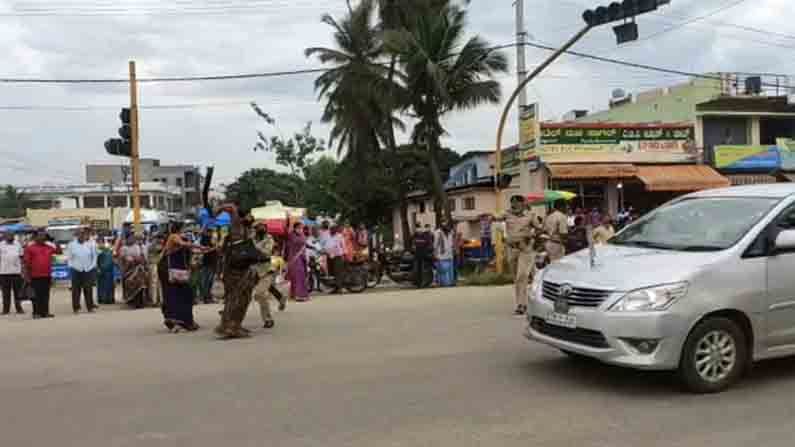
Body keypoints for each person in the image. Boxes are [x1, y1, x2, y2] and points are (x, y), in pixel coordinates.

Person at [216, 204, 258, 339]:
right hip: (235, 269)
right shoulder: (236, 225)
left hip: (240, 268)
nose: (251, 218)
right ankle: (231, 326)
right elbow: (231, 207)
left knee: (238, 297)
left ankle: (233, 325)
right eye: (249, 215)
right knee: (236, 298)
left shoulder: (245, 229)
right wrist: (218, 209)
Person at [504, 195, 542, 316]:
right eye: (512, 203)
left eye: (516, 203)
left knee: (522, 276)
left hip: (525, 249)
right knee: (516, 279)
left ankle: (522, 305)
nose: (514, 205)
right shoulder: (507, 214)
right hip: (511, 249)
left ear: (523, 204)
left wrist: (531, 236)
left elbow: (539, 229)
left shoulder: (530, 216)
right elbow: (494, 217)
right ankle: (520, 303)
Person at [161, 221, 202, 332]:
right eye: (184, 228)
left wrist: (202, 249)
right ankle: (177, 321)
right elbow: (183, 245)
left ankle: (186, 321)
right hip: (171, 271)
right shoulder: (174, 237)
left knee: (186, 295)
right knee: (176, 295)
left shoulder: (182, 238)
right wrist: (195, 245)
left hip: (180, 271)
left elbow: (189, 250)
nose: (186, 230)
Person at [252, 223, 286, 329]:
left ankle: (268, 319)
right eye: (258, 227)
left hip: (266, 270)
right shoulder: (251, 238)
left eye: (263, 228)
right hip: (252, 270)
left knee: (261, 293)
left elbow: (266, 252)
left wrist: (251, 251)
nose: (261, 229)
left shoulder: (269, 239)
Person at [23, 230, 61, 319]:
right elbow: (26, 263)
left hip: (47, 275)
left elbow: (59, 252)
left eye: (44, 236)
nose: (42, 238)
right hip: (34, 275)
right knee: (35, 295)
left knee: (45, 295)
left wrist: (55, 242)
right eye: (40, 236)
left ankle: (45, 312)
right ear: (35, 237)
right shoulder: (30, 248)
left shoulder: (48, 247)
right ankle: (36, 313)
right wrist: (26, 276)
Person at [67, 228, 99, 314]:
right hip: (76, 270)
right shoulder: (71, 245)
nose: (82, 236)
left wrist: (91, 267)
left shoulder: (90, 245)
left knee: (88, 289)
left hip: (88, 270)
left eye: (83, 235)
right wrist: (73, 267)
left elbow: (94, 257)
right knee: (76, 290)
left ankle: (90, 307)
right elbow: (69, 258)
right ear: (77, 235)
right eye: (80, 234)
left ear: (85, 236)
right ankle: (76, 308)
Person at [119, 234, 149, 309]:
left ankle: (140, 302)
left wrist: (139, 259)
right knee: (130, 285)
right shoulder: (124, 248)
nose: (132, 240)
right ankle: (130, 301)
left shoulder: (137, 247)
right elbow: (122, 258)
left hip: (138, 269)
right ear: (126, 239)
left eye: (133, 238)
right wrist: (129, 260)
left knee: (140, 285)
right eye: (130, 238)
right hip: (128, 269)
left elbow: (142, 257)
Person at [0, 231, 25, 315]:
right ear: (4, 236)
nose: (10, 236)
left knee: (18, 292)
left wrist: (23, 270)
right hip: (3, 272)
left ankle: (19, 308)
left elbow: (22, 257)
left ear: (14, 236)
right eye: (8, 235)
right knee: (5, 293)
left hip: (16, 272)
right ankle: (5, 309)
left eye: (12, 235)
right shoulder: (1, 245)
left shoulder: (18, 244)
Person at [285, 222, 309, 302]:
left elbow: (305, 244)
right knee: (296, 276)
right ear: (295, 228)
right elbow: (295, 241)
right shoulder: (291, 235)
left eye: (301, 228)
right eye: (299, 228)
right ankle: (297, 295)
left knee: (302, 276)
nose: (300, 229)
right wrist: (288, 220)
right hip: (294, 258)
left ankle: (301, 294)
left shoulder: (302, 235)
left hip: (302, 258)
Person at [198, 227, 219, 304]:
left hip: (210, 262)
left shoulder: (209, 239)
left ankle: (207, 297)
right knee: (207, 281)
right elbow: (205, 250)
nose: (211, 234)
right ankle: (205, 297)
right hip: (207, 262)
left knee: (209, 281)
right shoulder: (204, 239)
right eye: (210, 232)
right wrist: (214, 248)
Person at [325, 225, 346, 294]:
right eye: (331, 229)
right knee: (332, 272)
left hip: (337, 256)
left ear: (336, 230)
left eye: (333, 229)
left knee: (338, 272)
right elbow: (326, 245)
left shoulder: (339, 236)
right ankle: (335, 288)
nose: (332, 230)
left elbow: (343, 245)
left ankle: (340, 288)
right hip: (329, 256)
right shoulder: (327, 236)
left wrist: (344, 254)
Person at [96, 239, 116, 305]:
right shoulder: (96, 251)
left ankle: (110, 299)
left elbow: (113, 260)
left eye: (101, 242)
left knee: (110, 286)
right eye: (99, 243)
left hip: (109, 271)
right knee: (101, 286)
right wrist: (98, 269)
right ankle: (101, 299)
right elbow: (95, 262)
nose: (100, 244)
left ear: (104, 243)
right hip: (100, 271)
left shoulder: (109, 250)